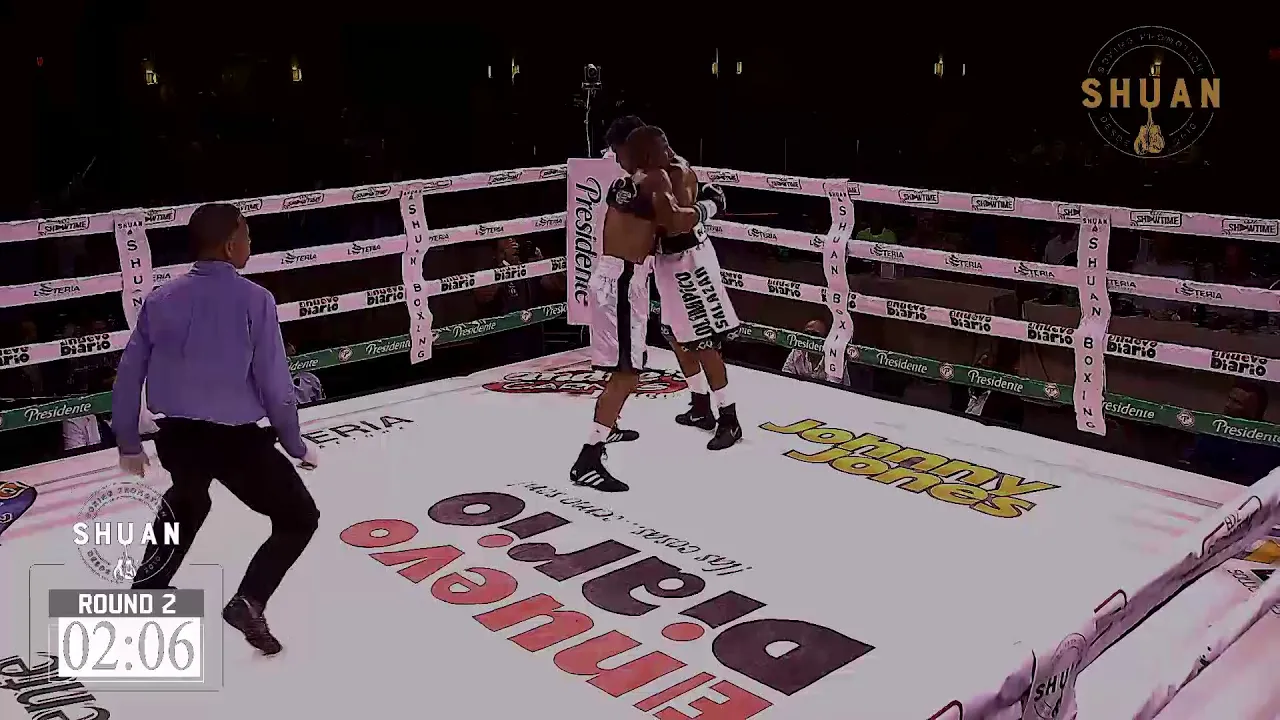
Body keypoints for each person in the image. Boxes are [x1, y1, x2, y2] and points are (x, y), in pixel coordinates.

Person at [112, 202, 320, 656]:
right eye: (246, 235)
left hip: (177, 439)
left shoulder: (160, 300)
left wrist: (128, 440)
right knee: (299, 519)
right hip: (234, 442)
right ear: (230, 245)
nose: (250, 243)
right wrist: (294, 443)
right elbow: (276, 385)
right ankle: (249, 601)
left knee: (189, 498)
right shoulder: (255, 300)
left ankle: (146, 591)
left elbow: (128, 374)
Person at [570, 125, 724, 492]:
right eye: (662, 146)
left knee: (624, 369)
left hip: (616, 277)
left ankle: (607, 428)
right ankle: (588, 458)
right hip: (623, 282)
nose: (669, 152)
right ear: (649, 151)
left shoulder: (626, 183)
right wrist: (710, 204)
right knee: (627, 374)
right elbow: (675, 222)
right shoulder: (656, 179)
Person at [604, 116, 742, 450]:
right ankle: (700, 405)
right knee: (676, 336)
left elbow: (675, 224)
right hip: (666, 262)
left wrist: (709, 206)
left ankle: (729, 418)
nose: (619, 161)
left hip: (690, 261)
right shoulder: (648, 175)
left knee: (702, 342)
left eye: (620, 153)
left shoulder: (674, 173)